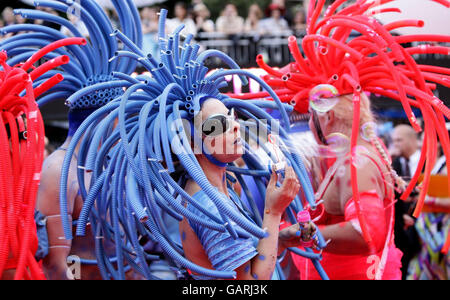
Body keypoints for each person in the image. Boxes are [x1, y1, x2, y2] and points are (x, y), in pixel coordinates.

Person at [240, 0, 450, 280]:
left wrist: (295, 235)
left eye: (311, 114)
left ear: (326, 116)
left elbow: (367, 233)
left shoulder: (357, 161)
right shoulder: (354, 155)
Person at [2, 0, 143, 280]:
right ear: (101, 120)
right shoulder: (60, 172)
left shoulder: (117, 163)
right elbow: (56, 265)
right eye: (120, 118)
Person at [407, 128, 450, 280]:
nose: (419, 145)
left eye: (424, 141)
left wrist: (428, 200)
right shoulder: (428, 164)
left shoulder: (447, 164)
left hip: (442, 228)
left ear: (437, 143)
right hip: (425, 227)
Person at [391, 124, 422, 279]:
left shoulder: (428, 161)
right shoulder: (395, 163)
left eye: (399, 140)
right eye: (394, 141)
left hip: (423, 229)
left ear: (412, 140)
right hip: (402, 232)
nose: (395, 144)